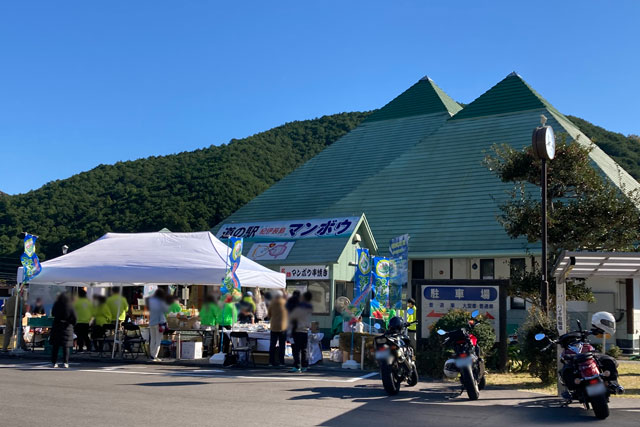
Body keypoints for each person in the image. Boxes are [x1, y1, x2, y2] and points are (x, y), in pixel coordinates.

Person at [288, 291, 313, 373]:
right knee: (304, 349)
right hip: (305, 331)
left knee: (296, 350)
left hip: (297, 331)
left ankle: (297, 366)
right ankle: (304, 366)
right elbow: (309, 323)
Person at [50, 293, 77, 368]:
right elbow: (74, 317)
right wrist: (71, 324)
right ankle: (65, 362)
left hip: (57, 326)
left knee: (56, 346)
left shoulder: (56, 304)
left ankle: (54, 362)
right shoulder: (70, 305)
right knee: (66, 347)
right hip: (67, 327)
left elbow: (53, 313)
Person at [267, 291, 287, 367]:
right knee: (282, 345)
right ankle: (281, 362)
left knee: (272, 345)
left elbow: (269, 315)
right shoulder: (285, 303)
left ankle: (271, 362)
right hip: (283, 326)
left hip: (274, 326)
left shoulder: (272, 303)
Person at [147, 289, 168, 362]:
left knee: (153, 339)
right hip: (159, 323)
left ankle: (152, 355)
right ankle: (154, 356)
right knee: (158, 340)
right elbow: (166, 310)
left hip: (152, 323)